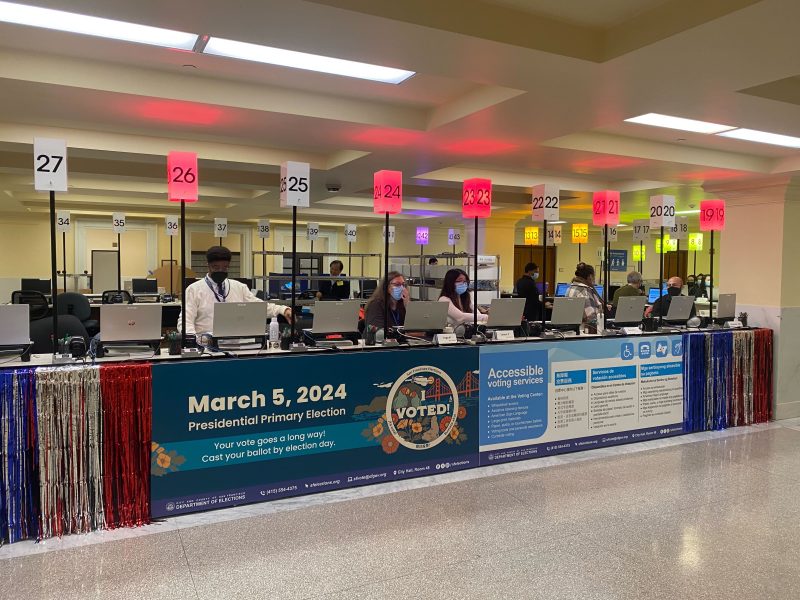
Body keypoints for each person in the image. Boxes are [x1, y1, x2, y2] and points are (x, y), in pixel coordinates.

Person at [179, 246, 292, 339]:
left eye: (225, 268)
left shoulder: (239, 287)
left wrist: (283, 309)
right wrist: (192, 341)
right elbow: (185, 321)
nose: (220, 271)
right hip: (205, 343)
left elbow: (258, 306)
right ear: (208, 266)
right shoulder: (194, 289)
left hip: (235, 342)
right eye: (215, 267)